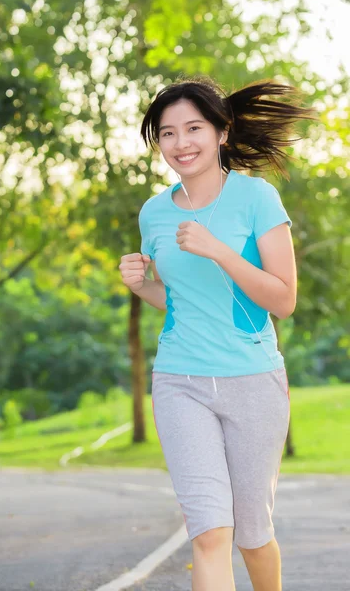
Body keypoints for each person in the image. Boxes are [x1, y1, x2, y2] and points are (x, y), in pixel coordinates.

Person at [119, 76, 317, 591]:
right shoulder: (154, 213)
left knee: (251, 535)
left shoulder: (257, 198)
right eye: (167, 133)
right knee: (209, 533)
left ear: (221, 133)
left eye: (193, 128)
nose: (181, 143)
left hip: (252, 380)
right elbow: (182, 303)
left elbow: (284, 300)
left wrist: (220, 251)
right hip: (179, 380)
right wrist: (143, 288)